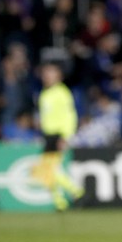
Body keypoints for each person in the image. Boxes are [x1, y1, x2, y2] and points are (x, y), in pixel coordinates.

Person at [30, 62, 85, 211]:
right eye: (45, 73)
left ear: (58, 76)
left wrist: (66, 136)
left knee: (49, 169)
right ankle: (60, 201)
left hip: (58, 135)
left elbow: (70, 115)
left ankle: (75, 191)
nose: (46, 76)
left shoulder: (62, 93)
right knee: (47, 170)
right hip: (47, 135)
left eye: (50, 73)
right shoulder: (44, 93)